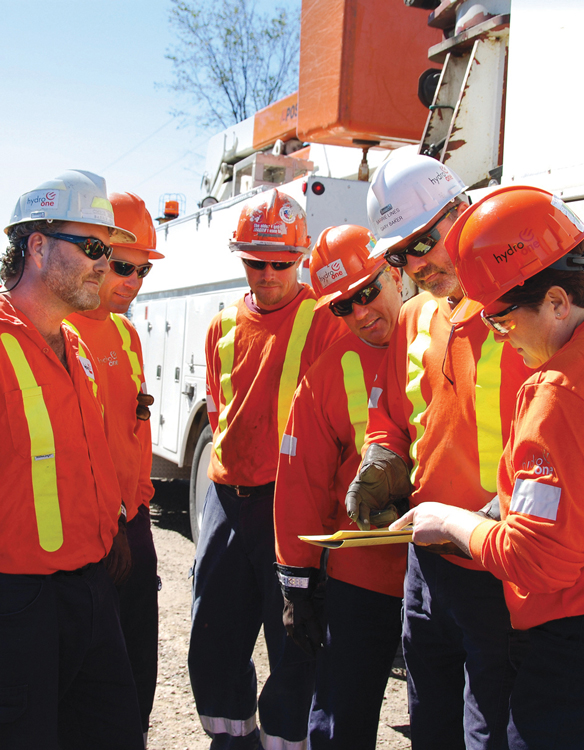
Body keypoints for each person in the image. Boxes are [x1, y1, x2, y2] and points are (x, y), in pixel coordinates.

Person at [393, 184, 584, 749]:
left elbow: (538, 560)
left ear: (558, 301)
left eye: (505, 322)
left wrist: (458, 523)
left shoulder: (560, 391)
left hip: (575, 648)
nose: (502, 338)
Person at [346, 151, 531, 750]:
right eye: (400, 254)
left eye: (426, 240)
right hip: (426, 568)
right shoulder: (418, 314)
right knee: (430, 726)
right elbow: (396, 419)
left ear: (463, 208)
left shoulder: (522, 306)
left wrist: (508, 510)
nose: (417, 264)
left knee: (491, 732)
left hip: (499, 567)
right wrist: (382, 460)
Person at [188, 189, 346, 750]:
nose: (271, 272)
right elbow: (217, 406)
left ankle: (284, 741)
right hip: (227, 499)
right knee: (212, 637)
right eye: (258, 261)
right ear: (241, 258)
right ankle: (233, 740)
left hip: (291, 503)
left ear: (301, 258)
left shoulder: (326, 322)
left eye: (283, 262)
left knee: (294, 643)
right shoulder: (222, 326)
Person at [0, 169, 144, 749]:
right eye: (91, 248)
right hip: (17, 606)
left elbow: (87, 455)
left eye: (108, 251)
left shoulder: (78, 344)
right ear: (37, 246)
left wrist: (114, 525)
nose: (104, 264)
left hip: (91, 590)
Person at [274, 224, 408, 749]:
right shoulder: (327, 373)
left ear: (395, 273)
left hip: (451, 573)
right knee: (340, 720)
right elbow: (299, 479)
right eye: (342, 306)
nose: (360, 313)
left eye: (368, 292)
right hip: (364, 578)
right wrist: (296, 583)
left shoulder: (445, 337)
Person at [66, 191, 163, 747]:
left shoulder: (126, 336)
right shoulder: (58, 333)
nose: (133, 280)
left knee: (135, 679)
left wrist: (131, 521)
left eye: (142, 270)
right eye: (123, 267)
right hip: (89, 536)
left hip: (134, 526)